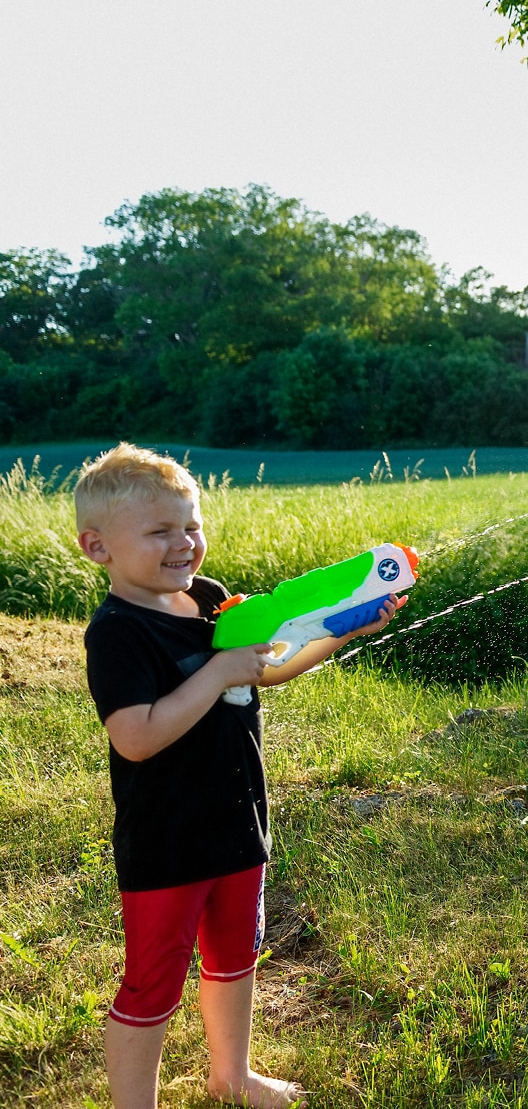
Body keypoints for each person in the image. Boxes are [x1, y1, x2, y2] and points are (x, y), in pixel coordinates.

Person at [75, 443, 405, 1109]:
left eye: (190, 524)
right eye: (160, 530)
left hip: (237, 823)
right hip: (167, 844)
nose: (183, 542)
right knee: (153, 984)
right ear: (97, 546)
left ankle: (232, 1075)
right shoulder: (116, 633)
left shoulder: (208, 600)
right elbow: (136, 737)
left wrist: (343, 628)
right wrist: (216, 673)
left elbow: (265, 668)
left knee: (235, 958)